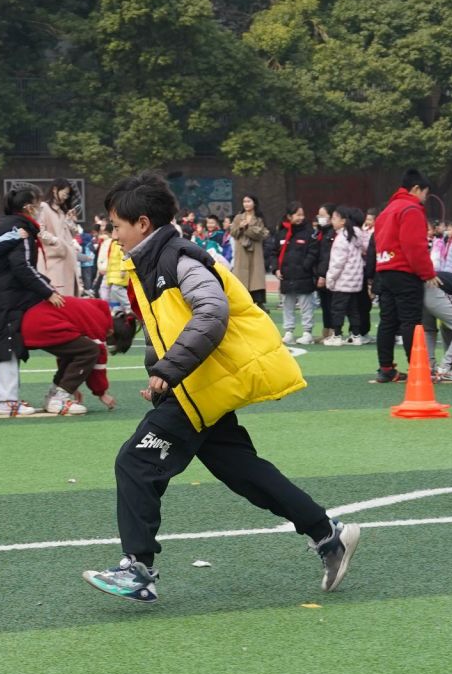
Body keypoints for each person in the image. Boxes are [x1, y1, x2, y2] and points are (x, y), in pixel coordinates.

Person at [81, 174, 360, 604]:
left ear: (142, 223)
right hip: (195, 386)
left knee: (135, 462)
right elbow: (170, 329)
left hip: (200, 386)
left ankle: (137, 569)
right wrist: (161, 374)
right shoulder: (151, 263)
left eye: (116, 226)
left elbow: (212, 313)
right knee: (243, 470)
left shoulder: (179, 258)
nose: (112, 235)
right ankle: (327, 534)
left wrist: (169, 370)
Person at [0, 182, 61, 415]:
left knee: (7, 343)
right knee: (6, 344)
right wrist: (48, 291)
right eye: (38, 205)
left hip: (2, 293)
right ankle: (6, 401)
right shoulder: (21, 229)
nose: (40, 209)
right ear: (28, 207)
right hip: (8, 295)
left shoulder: (4, 225)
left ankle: (8, 399)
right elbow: (22, 266)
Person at [21, 294, 137, 416]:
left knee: (80, 350)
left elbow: (68, 355)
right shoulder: (100, 324)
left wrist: (70, 386)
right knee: (91, 350)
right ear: (112, 333)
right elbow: (98, 363)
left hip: (33, 322)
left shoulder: (96, 310)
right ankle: (58, 400)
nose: (107, 342)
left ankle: (54, 395)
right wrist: (101, 393)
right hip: (42, 325)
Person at [371, 172, 435, 384]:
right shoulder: (411, 209)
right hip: (405, 272)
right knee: (411, 322)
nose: (425, 198)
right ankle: (418, 369)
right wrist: (428, 273)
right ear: (416, 188)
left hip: (384, 269)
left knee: (387, 321)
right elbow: (415, 247)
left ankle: (386, 369)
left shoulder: (387, 210)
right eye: (425, 193)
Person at [318, 206, 371, 346]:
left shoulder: (342, 238)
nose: (332, 221)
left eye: (334, 218)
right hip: (355, 281)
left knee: (337, 309)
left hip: (342, 281)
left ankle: (337, 335)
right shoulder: (358, 235)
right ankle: (356, 335)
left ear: (343, 221)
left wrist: (330, 279)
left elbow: (337, 263)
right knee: (353, 309)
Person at [274, 204, 320, 346]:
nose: (301, 217)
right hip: (286, 276)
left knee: (306, 306)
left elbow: (313, 252)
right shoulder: (281, 233)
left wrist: (305, 266)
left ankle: (307, 332)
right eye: (297, 215)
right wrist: (276, 269)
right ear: (289, 216)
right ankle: (289, 332)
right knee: (287, 305)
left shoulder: (309, 232)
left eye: (302, 214)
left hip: (303, 276)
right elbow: (273, 253)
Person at [36, 179, 82, 296]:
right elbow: (40, 231)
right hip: (55, 262)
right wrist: (56, 241)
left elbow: (72, 234)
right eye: (64, 193)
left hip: (67, 261)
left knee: (69, 298)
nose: (66, 197)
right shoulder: (44, 207)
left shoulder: (62, 211)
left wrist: (71, 221)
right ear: (55, 189)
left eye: (68, 195)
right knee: (60, 296)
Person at [228, 195, 269, 312]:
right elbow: (233, 232)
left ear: (254, 203)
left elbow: (263, 234)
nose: (246, 204)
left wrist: (248, 228)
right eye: (244, 201)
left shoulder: (259, 219)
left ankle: (259, 301)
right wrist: (240, 227)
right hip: (241, 252)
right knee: (241, 277)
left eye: (248, 201)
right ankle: (241, 301)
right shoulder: (238, 217)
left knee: (256, 277)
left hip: (255, 251)